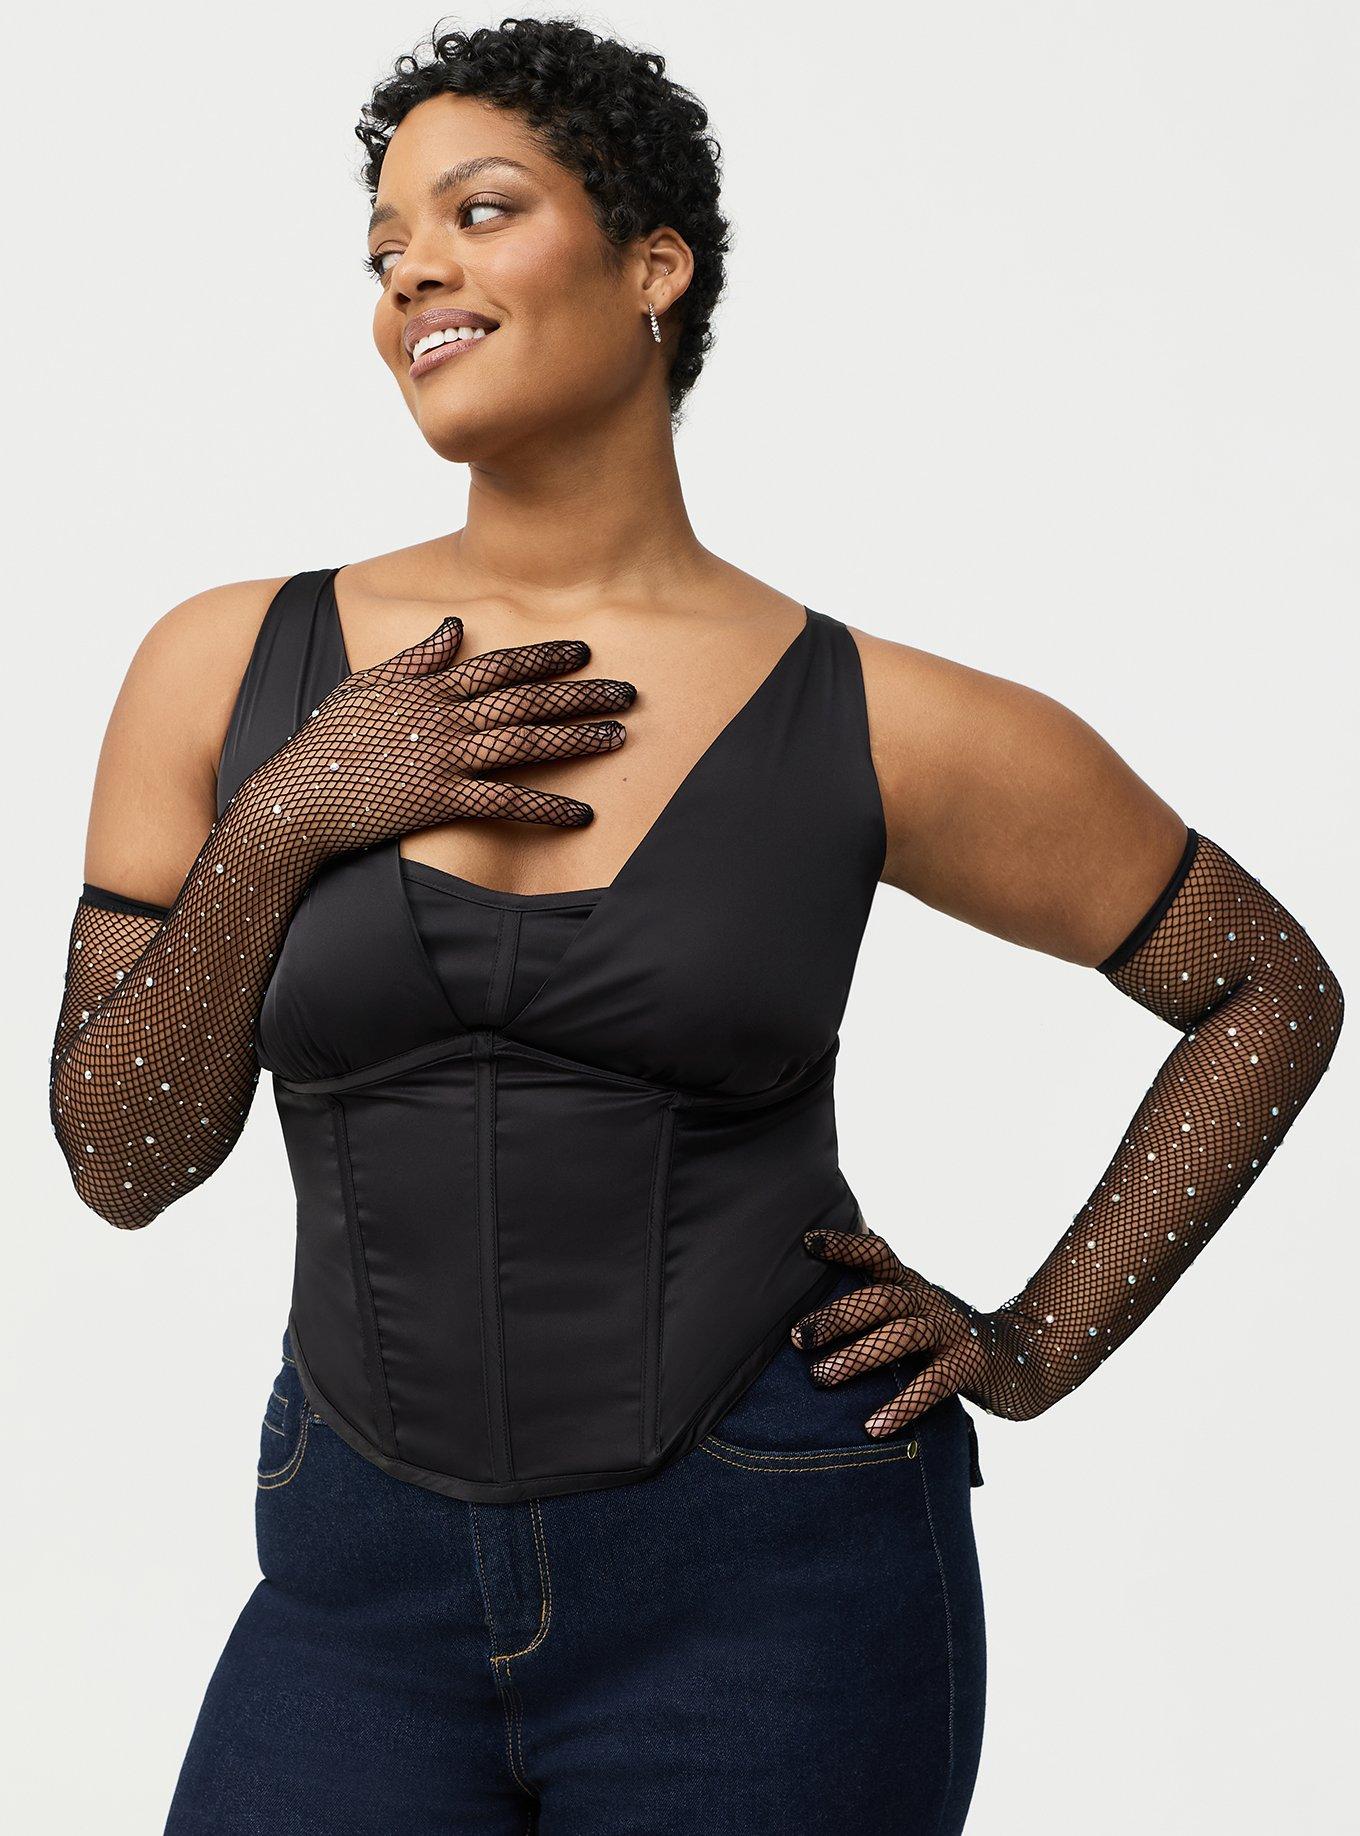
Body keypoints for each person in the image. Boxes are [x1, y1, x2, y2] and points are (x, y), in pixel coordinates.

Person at [48, 17, 1344, 1835]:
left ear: (653, 265)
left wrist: (1035, 1340)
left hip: (778, 1575)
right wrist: (282, 825)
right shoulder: (226, 667)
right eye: (384, 244)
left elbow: (1267, 989)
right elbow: (121, 1157)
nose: (409, 270)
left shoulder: (883, 720)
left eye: (479, 211)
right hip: (355, 1590)